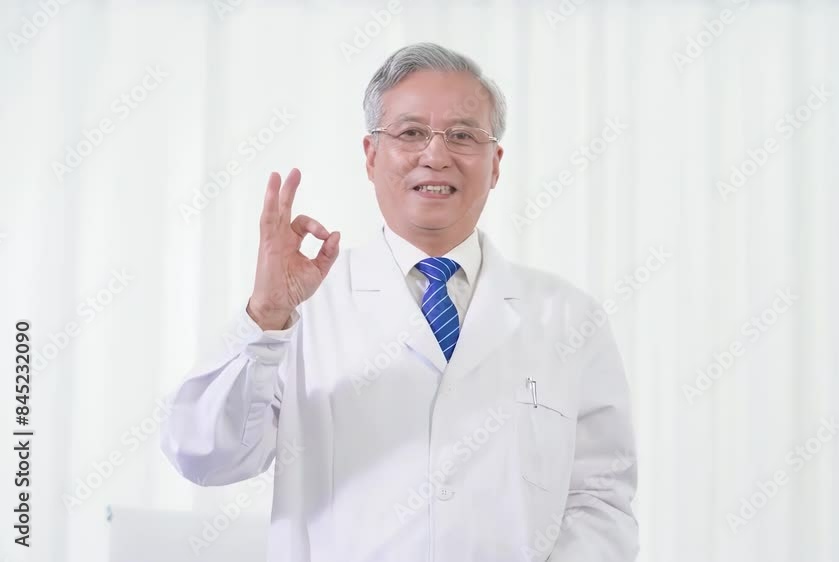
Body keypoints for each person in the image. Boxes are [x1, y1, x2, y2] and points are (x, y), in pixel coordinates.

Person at [160, 42, 638, 562]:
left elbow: (600, 499)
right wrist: (266, 316)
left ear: (496, 163)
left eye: (462, 135)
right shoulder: (304, 310)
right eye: (411, 133)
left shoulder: (567, 318)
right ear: (371, 156)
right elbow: (204, 455)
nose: (436, 155)